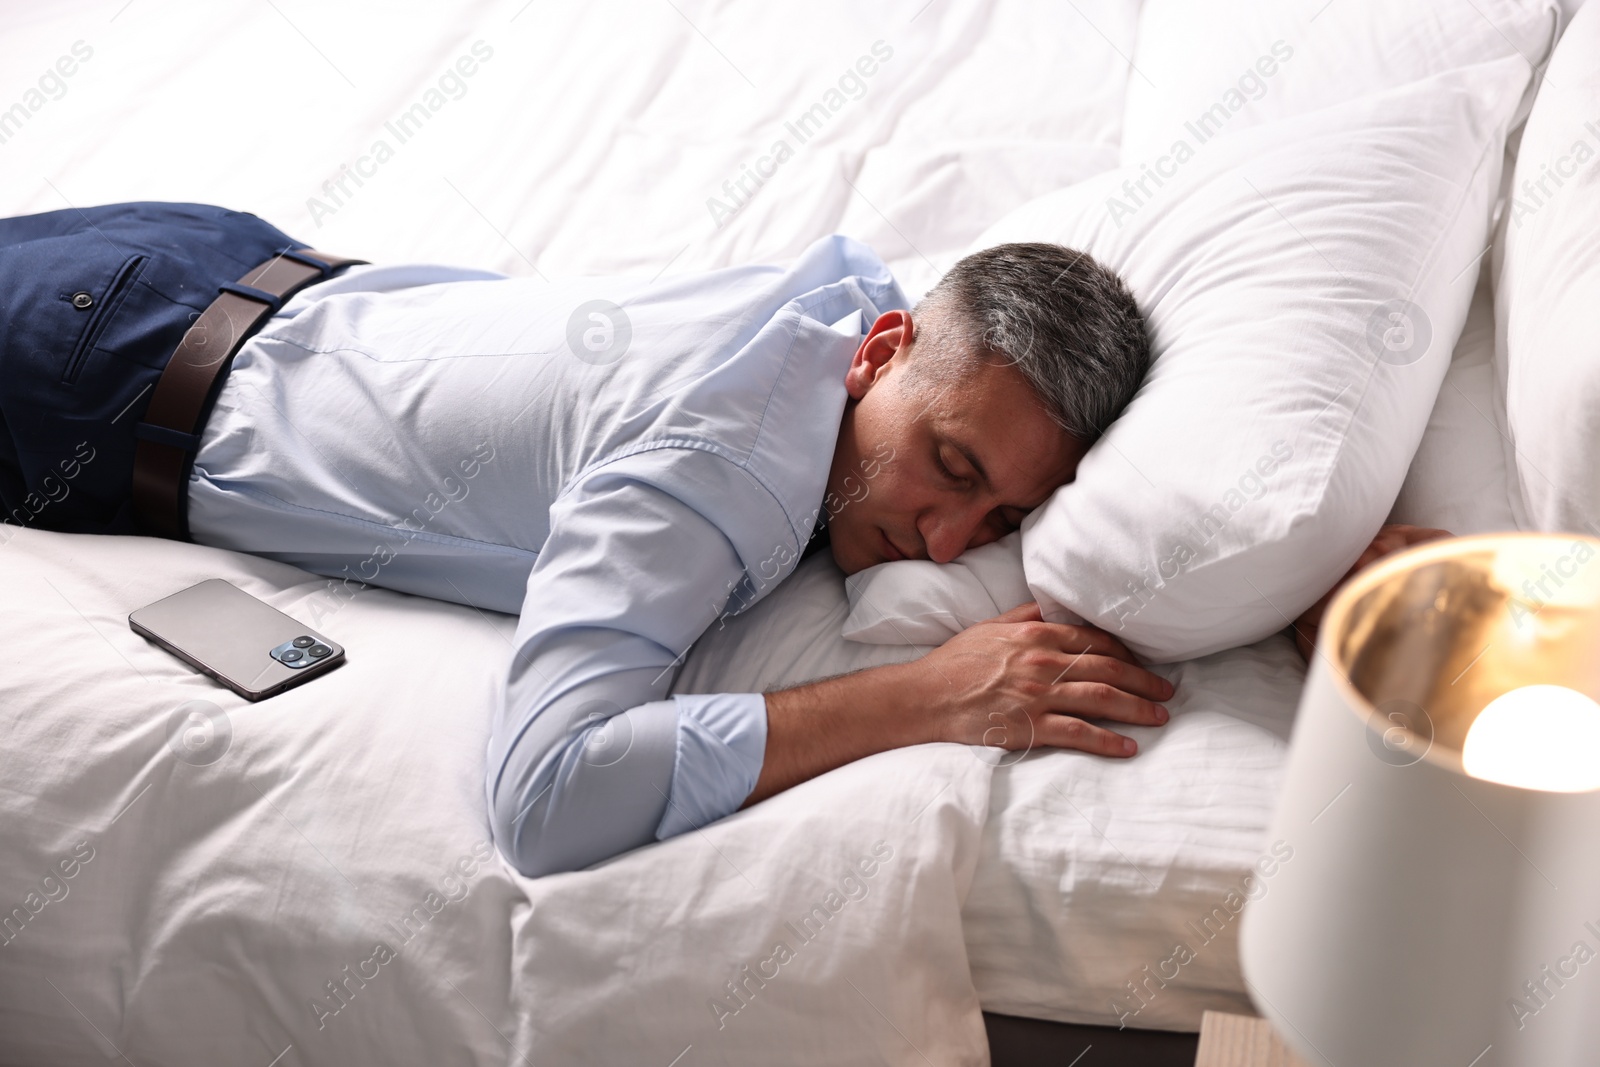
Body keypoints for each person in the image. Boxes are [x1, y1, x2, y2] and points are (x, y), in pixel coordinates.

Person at [0, 202, 1438, 878]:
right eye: (946, 471)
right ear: (883, 353)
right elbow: (546, 798)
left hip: (219, 263)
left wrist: (1328, 555)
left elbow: (1166, 495)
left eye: (998, 517)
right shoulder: (710, 477)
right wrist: (926, 697)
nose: (945, 543)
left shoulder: (854, 317)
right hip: (90, 379)